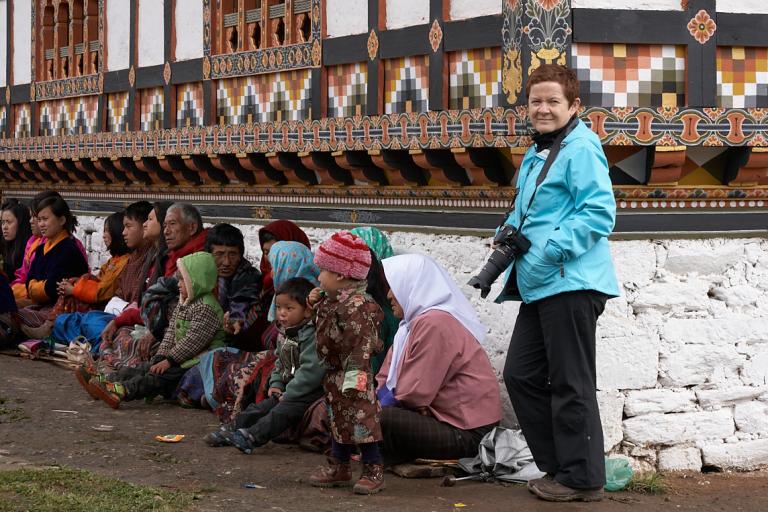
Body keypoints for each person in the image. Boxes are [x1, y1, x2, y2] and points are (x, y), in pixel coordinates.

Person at [497, 64, 619, 502]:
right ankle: (561, 467)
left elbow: (599, 213)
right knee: (521, 375)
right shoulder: (539, 152)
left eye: (552, 101)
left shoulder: (581, 147)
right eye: (536, 101)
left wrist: (549, 251)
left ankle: (582, 478)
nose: (543, 109)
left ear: (574, 106)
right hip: (540, 283)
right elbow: (528, 213)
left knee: (571, 382)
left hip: (571, 280)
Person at [376, 254, 501, 465]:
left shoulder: (435, 322)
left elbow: (414, 393)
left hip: (467, 432)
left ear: (411, 286)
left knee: (378, 419)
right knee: (355, 412)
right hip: (439, 419)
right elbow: (385, 379)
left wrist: (388, 405)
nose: (388, 295)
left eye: (394, 287)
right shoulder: (407, 328)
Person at [191, 240, 320, 423]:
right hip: (279, 360)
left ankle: (231, 412)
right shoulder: (277, 295)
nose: (272, 272)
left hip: (289, 368)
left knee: (240, 368)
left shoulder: (308, 303)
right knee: (215, 357)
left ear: (289, 267)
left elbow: (301, 360)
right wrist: (235, 329)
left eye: (275, 265)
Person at [79, 252, 225, 409]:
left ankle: (123, 391)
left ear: (197, 281)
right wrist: (161, 355)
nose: (179, 284)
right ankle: (104, 381)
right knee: (145, 368)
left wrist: (169, 361)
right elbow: (171, 333)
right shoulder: (187, 302)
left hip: (197, 361)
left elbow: (192, 342)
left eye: (183, 280)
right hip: (181, 357)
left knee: (158, 376)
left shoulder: (207, 308)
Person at [204, 277, 324, 453]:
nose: (281, 313)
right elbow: (281, 363)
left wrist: (289, 393)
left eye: (289, 308)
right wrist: (276, 384)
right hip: (290, 389)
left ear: (307, 312)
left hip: (308, 391)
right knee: (260, 408)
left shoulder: (311, 337)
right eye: (278, 307)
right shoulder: (286, 334)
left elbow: (311, 373)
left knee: (280, 412)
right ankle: (232, 428)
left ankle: (252, 437)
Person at [307, 231, 385, 495]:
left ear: (340, 275)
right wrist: (314, 304)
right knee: (338, 419)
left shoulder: (358, 306)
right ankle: (339, 465)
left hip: (355, 373)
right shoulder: (334, 300)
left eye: (323, 271)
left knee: (363, 421)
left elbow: (362, 345)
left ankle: (373, 467)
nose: (318, 278)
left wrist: (356, 378)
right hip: (334, 373)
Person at [46, 202, 154, 351]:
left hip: (131, 320)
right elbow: (117, 292)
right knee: (63, 320)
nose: (124, 233)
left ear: (144, 227)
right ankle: (89, 345)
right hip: (113, 313)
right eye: (123, 227)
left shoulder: (152, 258)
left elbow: (114, 294)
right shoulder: (132, 258)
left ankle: (97, 349)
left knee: (92, 322)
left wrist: (76, 289)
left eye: (129, 227)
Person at [21, 211, 130, 341]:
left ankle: (50, 326)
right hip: (42, 295)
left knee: (72, 290)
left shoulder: (70, 248)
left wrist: (74, 288)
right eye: (39, 219)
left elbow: (103, 290)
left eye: (107, 231)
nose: (103, 235)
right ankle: (51, 324)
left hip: (103, 303)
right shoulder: (114, 260)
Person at [98, 201, 170, 369]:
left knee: (113, 332)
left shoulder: (169, 258)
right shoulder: (142, 256)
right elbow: (120, 291)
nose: (146, 224)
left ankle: (121, 368)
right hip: (132, 314)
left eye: (150, 220)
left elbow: (162, 307)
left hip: (150, 322)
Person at [15, 195, 89, 331]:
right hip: (40, 304)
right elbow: (29, 280)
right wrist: (36, 287)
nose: (41, 224)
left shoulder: (68, 250)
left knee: (13, 316)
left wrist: (35, 287)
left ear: (61, 220)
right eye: (39, 220)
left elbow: (51, 288)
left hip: (60, 310)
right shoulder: (41, 249)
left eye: (45, 219)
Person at [205, 223, 262, 346]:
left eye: (232, 254)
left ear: (240, 256)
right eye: (219, 254)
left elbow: (239, 311)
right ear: (208, 255)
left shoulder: (249, 277)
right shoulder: (200, 273)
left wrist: (233, 323)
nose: (226, 262)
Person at [1, 199, 33, 280]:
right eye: (3, 222)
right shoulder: (4, 245)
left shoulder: (30, 249)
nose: (4, 227)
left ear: (21, 224)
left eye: (9, 222)